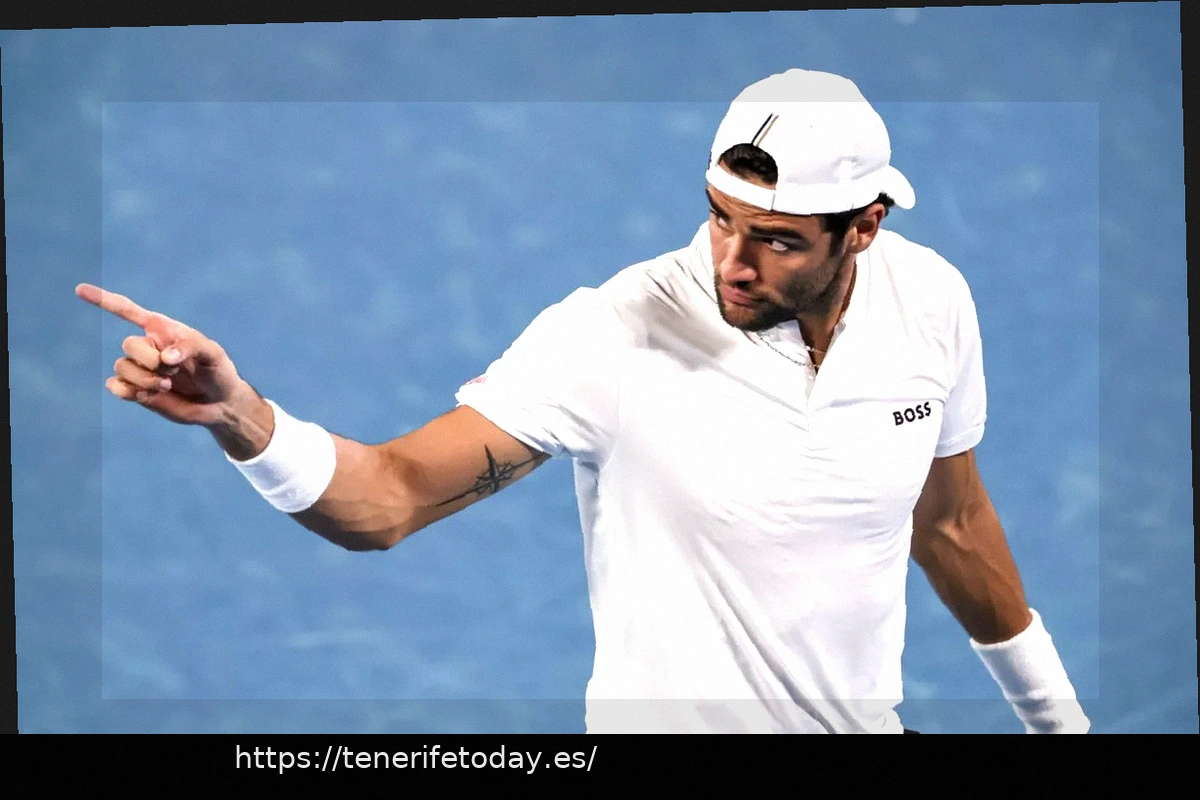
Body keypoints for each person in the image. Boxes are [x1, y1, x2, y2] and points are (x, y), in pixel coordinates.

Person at [77, 68, 1090, 734]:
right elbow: (386, 498)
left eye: (777, 240)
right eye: (720, 219)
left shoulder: (931, 303)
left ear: (862, 226)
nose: (732, 263)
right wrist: (242, 416)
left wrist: (1059, 724)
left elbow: (949, 521)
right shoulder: (614, 334)